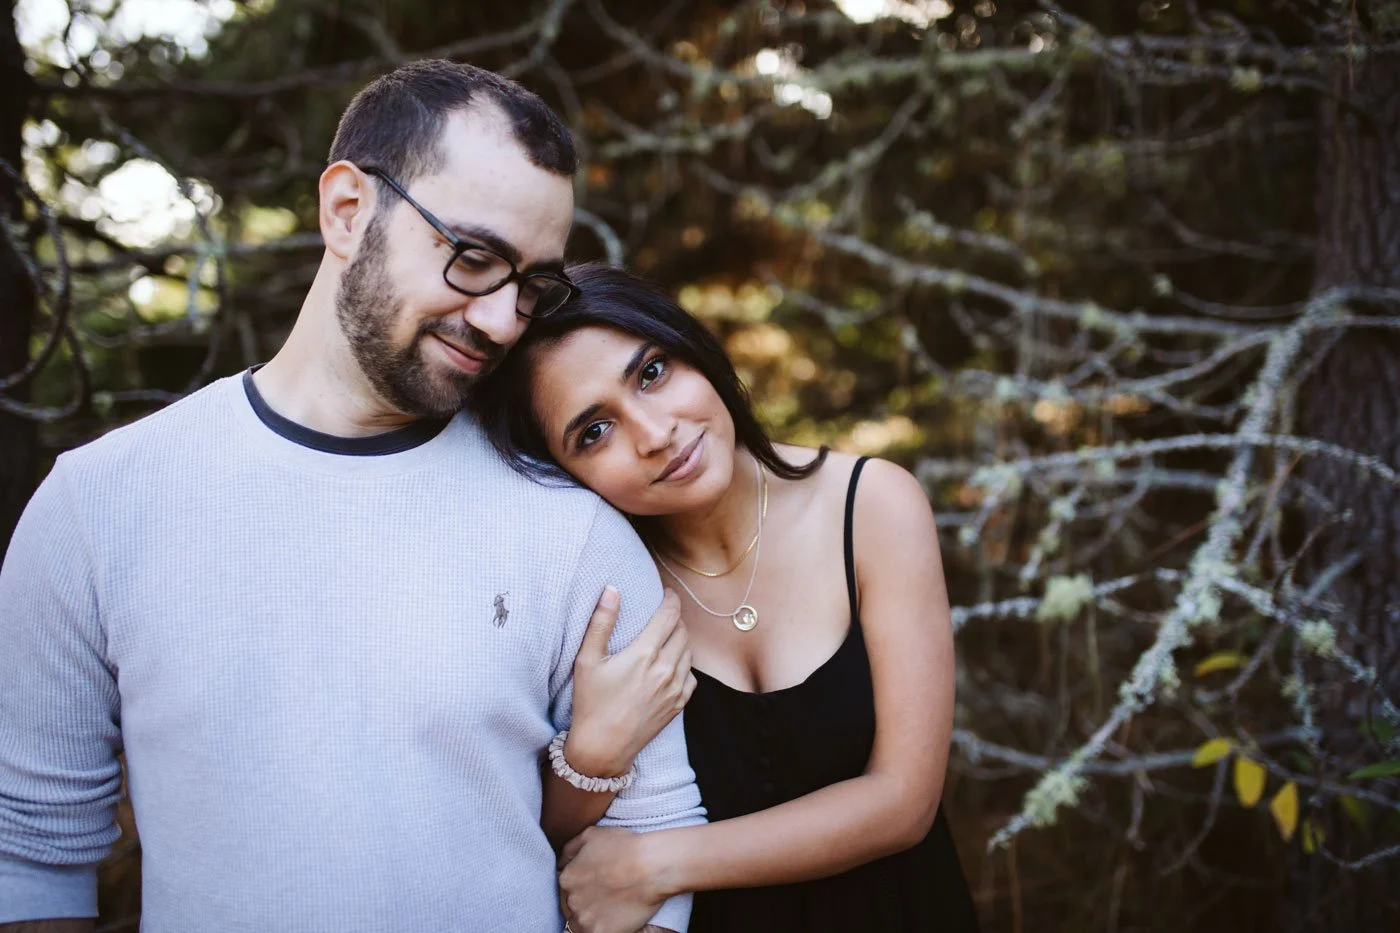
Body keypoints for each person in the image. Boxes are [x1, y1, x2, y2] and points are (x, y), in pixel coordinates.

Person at [0, 62, 705, 933]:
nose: (502, 321)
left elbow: (654, 845)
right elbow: (29, 856)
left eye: (531, 285)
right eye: (474, 258)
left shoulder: (573, 531)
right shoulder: (97, 507)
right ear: (347, 210)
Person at [472, 263, 981, 933]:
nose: (654, 433)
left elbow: (903, 801)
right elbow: (541, 839)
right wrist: (591, 755)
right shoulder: (603, 596)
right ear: (561, 473)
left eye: (652, 372)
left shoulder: (873, 506)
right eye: (594, 431)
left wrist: (660, 862)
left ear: (695, 348)